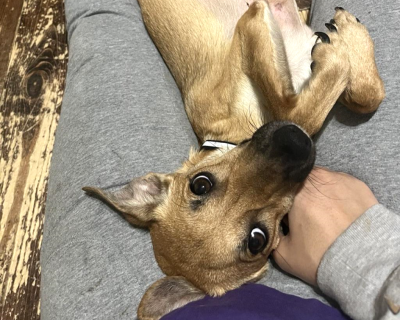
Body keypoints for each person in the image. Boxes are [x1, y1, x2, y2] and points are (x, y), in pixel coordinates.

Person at [40, 0, 400, 320]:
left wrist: (304, 112)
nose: (261, 175)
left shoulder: (218, 115)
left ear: (155, 185)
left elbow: (257, 17)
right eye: (256, 238)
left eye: (203, 185)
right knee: (365, 99)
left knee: (98, 17)